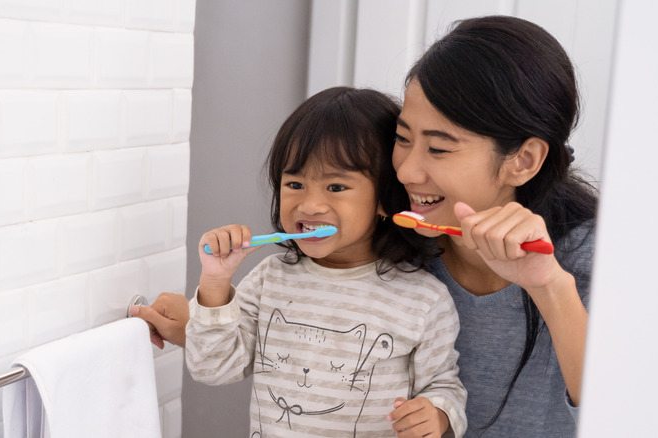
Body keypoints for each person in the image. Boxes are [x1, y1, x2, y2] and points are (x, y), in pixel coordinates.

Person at [135, 15, 597, 437]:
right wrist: (205, 316)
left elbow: (630, 412)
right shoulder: (392, 247)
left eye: (438, 149)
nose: (407, 171)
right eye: (402, 138)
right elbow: (309, 324)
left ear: (523, 160)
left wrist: (550, 287)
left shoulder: (591, 256)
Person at [171, 86, 466, 437]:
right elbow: (212, 367)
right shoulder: (269, 279)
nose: (309, 205)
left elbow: (444, 386)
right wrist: (216, 283)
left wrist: (437, 414)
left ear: (385, 199)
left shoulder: (424, 300)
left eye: (336, 187)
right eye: (295, 184)